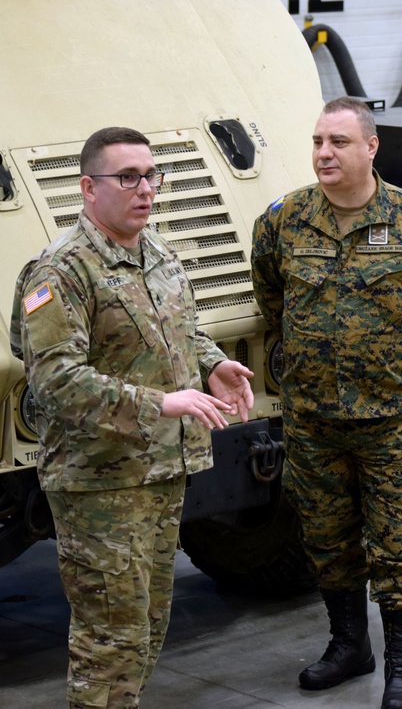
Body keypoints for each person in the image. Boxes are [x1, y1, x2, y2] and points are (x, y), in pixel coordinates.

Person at [10, 126, 255, 708]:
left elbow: (183, 334)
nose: (145, 188)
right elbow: (54, 380)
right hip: (99, 485)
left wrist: (214, 364)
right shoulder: (62, 272)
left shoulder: (159, 254)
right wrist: (162, 403)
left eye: (151, 175)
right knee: (109, 642)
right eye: (128, 177)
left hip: (160, 470)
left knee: (146, 629)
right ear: (88, 189)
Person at [250, 97, 402, 709]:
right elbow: (272, 294)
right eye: (319, 140)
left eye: (339, 142)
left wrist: (387, 360)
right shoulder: (284, 220)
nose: (324, 152)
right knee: (326, 537)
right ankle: (350, 646)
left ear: (371, 147)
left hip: (390, 419)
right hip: (313, 418)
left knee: (398, 544)